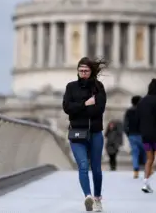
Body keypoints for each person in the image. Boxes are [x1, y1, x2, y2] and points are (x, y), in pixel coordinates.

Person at [62, 57, 108, 212]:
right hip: (77, 133)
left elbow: (99, 110)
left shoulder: (98, 87)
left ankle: (98, 198)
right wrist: (85, 104)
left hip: (94, 133)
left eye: (86, 71)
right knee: (82, 165)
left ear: (91, 72)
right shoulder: (71, 87)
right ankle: (88, 196)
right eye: (80, 70)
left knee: (96, 168)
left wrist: (78, 108)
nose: (83, 73)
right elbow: (67, 108)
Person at [136, 78, 156, 194]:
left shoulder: (142, 101)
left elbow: (138, 118)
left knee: (149, 159)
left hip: (145, 134)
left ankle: (145, 183)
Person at [123, 95, 145, 178]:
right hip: (141, 135)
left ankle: (136, 170)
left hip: (132, 135)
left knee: (135, 153)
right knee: (146, 152)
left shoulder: (128, 111)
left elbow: (125, 124)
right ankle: (148, 169)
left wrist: (128, 134)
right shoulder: (143, 111)